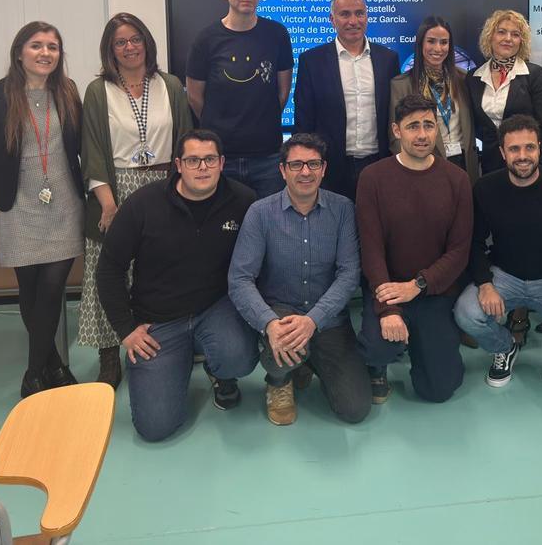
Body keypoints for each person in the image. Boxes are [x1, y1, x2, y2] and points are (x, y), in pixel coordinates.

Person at [97, 130, 258, 441]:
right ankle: (177, 362)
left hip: (215, 308)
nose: (202, 167)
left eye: (210, 159)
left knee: (238, 355)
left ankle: (220, 371)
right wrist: (126, 330)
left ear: (222, 163)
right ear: (178, 165)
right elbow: (109, 269)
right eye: (193, 160)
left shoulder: (243, 201)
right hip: (158, 320)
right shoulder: (143, 204)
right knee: (155, 428)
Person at [0, 21, 84, 399]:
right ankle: (55, 365)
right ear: (19, 52)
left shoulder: (67, 92)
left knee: (51, 288)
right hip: (20, 206)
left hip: (64, 203)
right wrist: (3, 176)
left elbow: (78, 148)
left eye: (53, 47)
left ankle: (32, 374)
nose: (45, 53)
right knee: (29, 291)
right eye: (36, 45)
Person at [78, 12, 193, 388]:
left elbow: (185, 141)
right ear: (110, 50)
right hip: (115, 187)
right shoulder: (98, 91)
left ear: (147, 42)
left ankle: (166, 339)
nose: (130, 47)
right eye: (120, 42)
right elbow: (92, 149)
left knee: (161, 267)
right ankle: (109, 353)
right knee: (108, 270)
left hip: (163, 184)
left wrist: (183, 188)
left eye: (135, 39)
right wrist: (108, 204)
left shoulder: (170, 85)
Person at [228, 133, 369, 426]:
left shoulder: (343, 209)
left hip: (328, 319)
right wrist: (268, 323)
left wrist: (313, 320)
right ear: (282, 170)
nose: (306, 172)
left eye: (313, 164)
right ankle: (279, 381)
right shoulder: (260, 213)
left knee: (355, 409)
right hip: (281, 314)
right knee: (285, 346)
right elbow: (240, 278)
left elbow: (348, 274)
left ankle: (307, 361)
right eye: (296, 165)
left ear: (324, 169)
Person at [454, 115, 542, 389]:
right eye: (514, 149)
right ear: (502, 152)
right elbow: (472, 242)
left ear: (540, 148)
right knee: (466, 312)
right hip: (504, 275)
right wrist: (484, 283)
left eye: (529, 148)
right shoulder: (485, 188)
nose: (523, 156)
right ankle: (505, 347)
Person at [356, 94, 472, 404]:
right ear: (397, 131)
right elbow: (371, 250)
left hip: (433, 292)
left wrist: (418, 285)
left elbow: (459, 251)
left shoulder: (457, 180)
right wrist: (389, 309)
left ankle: (429, 349)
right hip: (388, 289)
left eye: (428, 126)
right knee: (380, 345)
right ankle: (377, 365)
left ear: (437, 130)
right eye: (412, 127)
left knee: (438, 390)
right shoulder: (373, 178)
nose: (422, 135)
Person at [185, 0, 293, 199]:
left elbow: (283, 92)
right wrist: (222, 125)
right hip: (222, 158)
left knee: (268, 230)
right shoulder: (206, 39)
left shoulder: (277, 34)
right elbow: (194, 96)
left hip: (268, 157)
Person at [293, 0, 399, 202]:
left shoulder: (388, 59)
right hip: (330, 168)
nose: (353, 21)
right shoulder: (311, 61)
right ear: (332, 19)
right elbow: (304, 120)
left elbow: (395, 114)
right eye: (345, 14)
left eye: (359, 13)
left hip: (378, 165)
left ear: (367, 17)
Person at [389, 16, 479, 183]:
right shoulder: (401, 85)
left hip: (464, 163)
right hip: (424, 165)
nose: (438, 48)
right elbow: (395, 138)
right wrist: (413, 168)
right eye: (431, 41)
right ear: (421, 44)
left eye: (444, 42)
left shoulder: (464, 79)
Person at [467, 9, 542, 174]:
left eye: (515, 34)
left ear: (522, 41)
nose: (508, 39)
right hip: (490, 166)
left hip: (526, 164)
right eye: (501, 32)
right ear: (490, 36)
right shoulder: (474, 78)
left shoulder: (534, 75)